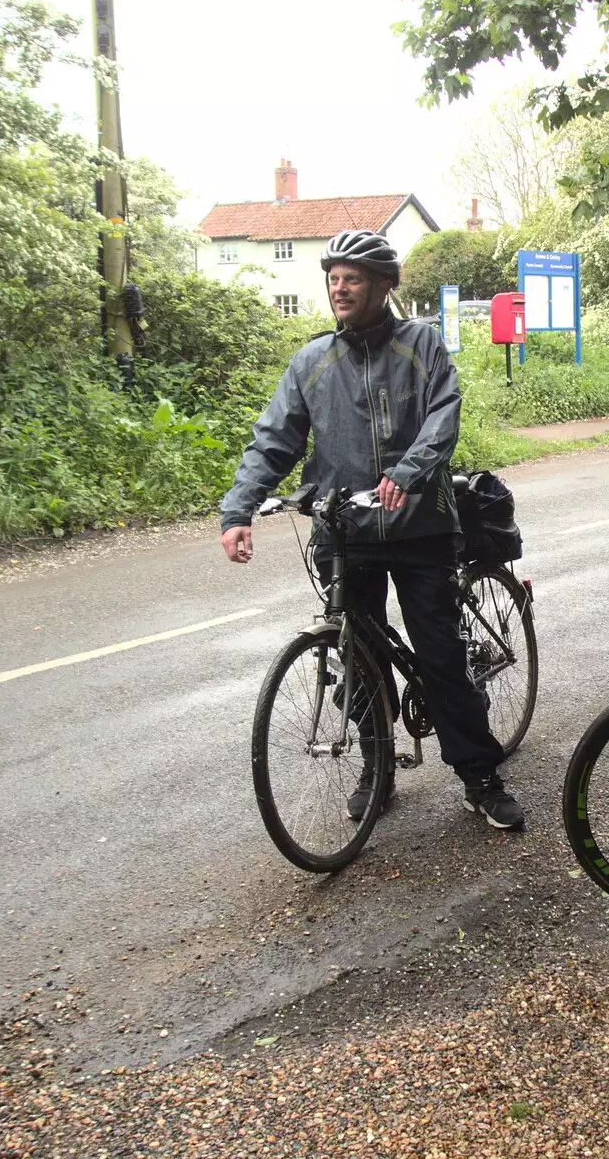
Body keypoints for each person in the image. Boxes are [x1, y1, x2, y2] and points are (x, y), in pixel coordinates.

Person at [219, 228, 524, 830]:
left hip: (421, 528)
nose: (339, 286)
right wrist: (239, 510)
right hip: (344, 532)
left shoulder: (422, 344)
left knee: (440, 659)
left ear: (383, 286)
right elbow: (274, 440)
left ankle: (479, 775)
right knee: (354, 661)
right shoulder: (311, 361)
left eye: (352, 277)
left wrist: (409, 473)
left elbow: (443, 416)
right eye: (333, 277)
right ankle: (376, 768)